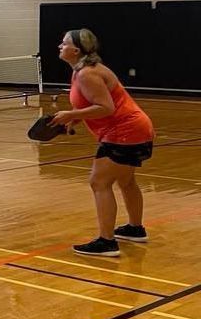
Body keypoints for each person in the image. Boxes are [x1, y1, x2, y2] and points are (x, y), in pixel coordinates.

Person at [51, 29, 154, 258]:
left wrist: (69, 115)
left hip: (124, 131)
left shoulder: (87, 73)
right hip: (136, 128)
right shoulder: (82, 71)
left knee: (99, 182)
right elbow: (96, 103)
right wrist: (76, 117)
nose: (60, 46)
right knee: (126, 181)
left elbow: (106, 108)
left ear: (76, 50)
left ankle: (107, 242)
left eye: (64, 43)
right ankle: (135, 229)